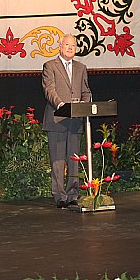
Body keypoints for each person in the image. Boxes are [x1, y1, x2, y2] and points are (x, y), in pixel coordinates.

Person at [42, 33, 92, 209]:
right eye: (67, 45)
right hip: (57, 119)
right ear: (60, 46)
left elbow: (86, 92)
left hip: (75, 121)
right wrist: (61, 104)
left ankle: (72, 195)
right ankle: (59, 196)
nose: (70, 48)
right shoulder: (50, 66)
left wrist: (83, 105)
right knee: (57, 160)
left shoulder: (81, 67)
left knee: (74, 160)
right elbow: (49, 90)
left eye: (73, 45)